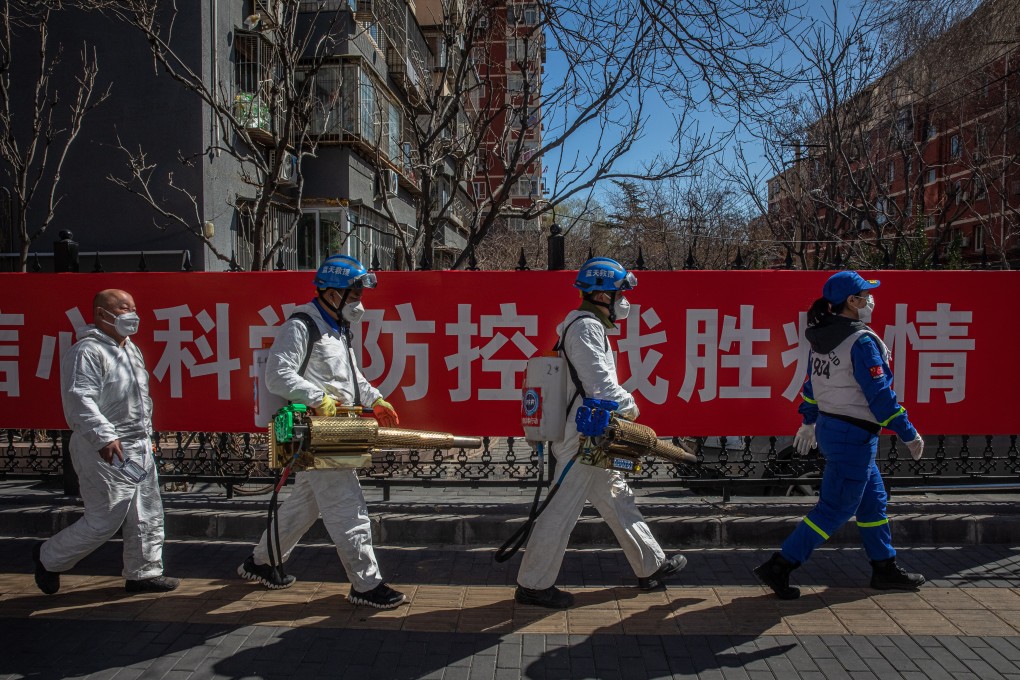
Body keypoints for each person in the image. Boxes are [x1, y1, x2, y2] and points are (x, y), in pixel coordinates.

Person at [514, 257, 687, 609]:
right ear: (602, 295)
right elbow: (601, 386)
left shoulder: (585, 326)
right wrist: (631, 406)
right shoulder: (585, 328)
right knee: (560, 511)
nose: (625, 301)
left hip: (593, 435)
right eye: (621, 292)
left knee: (617, 499)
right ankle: (532, 585)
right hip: (583, 439)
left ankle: (650, 566)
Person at [237, 254, 405, 609]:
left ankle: (261, 562)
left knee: (304, 505)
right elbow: (277, 375)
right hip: (318, 433)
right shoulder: (302, 325)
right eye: (354, 295)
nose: (359, 302)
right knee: (348, 507)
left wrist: (376, 399)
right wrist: (317, 398)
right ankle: (366, 585)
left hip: (336, 429)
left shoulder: (337, 329)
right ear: (331, 292)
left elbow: (350, 378)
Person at [755, 271, 926, 600]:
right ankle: (781, 565)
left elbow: (811, 385)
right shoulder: (860, 342)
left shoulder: (823, 336)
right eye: (865, 295)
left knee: (873, 502)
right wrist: (907, 432)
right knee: (834, 509)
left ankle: (884, 567)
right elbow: (880, 397)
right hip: (854, 434)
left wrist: (809, 421)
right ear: (852, 301)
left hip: (835, 429)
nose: (870, 300)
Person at [32, 289, 179, 595]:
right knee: (105, 518)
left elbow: (140, 400)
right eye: (124, 309)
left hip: (135, 445)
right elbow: (79, 398)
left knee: (147, 511)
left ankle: (144, 572)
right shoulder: (87, 351)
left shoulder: (130, 349)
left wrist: (146, 436)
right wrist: (104, 436)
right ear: (101, 314)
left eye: (134, 307)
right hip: (104, 447)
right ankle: (49, 557)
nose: (132, 315)